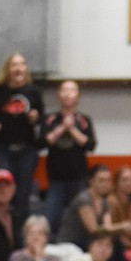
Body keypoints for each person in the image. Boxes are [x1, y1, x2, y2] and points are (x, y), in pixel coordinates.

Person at [0, 52, 44, 228]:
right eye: (14, 65)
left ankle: (21, 232)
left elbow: (41, 119)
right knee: (3, 190)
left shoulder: (33, 91)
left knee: (23, 194)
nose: (18, 68)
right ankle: (1, 227)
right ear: (8, 69)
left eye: (22, 64)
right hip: (4, 147)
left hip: (27, 148)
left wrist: (35, 118)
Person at [42, 80, 96, 232]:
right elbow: (44, 142)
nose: (67, 94)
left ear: (78, 96)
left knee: (81, 221)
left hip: (79, 178)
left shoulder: (84, 120)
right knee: (50, 221)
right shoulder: (49, 118)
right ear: (59, 95)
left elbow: (90, 145)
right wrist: (61, 128)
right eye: (64, 90)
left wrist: (71, 129)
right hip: (56, 178)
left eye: (72, 91)